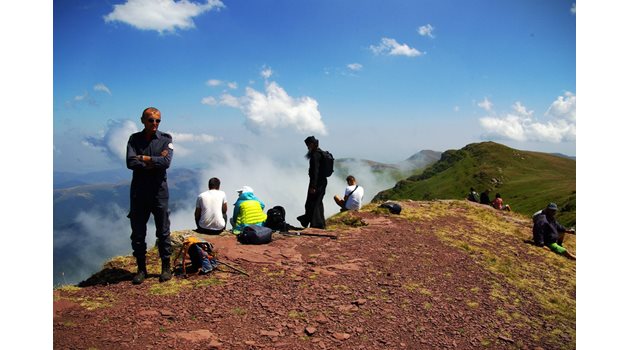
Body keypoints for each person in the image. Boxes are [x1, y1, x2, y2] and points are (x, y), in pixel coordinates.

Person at [126, 107, 174, 285]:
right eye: (151, 120)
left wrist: (144, 159)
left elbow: (166, 162)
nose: (155, 123)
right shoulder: (134, 139)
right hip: (139, 194)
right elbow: (130, 162)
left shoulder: (166, 139)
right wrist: (155, 161)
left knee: (163, 232)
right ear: (142, 120)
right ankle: (141, 269)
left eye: (158, 120)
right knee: (138, 234)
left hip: (159, 194)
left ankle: (166, 268)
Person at [297, 136, 329, 229]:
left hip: (317, 183)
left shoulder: (315, 155)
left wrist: (313, 186)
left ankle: (316, 224)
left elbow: (315, 171)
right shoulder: (320, 153)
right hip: (322, 182)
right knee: (318, 202)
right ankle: (319, 223)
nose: (307, 147)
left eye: (308, 145)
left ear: (312, 144)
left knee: (311, 203)